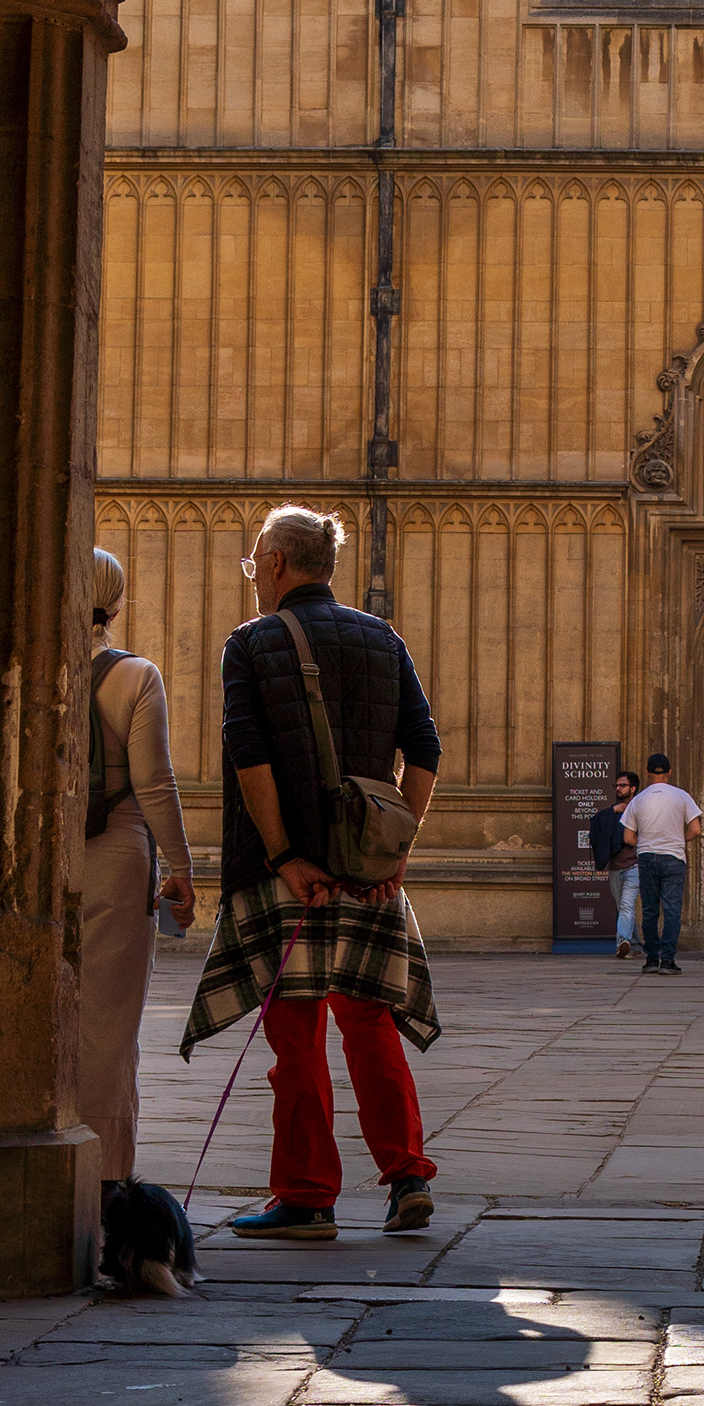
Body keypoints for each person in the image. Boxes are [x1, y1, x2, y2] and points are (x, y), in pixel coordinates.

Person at [178, 504, 442, 1241]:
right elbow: (424, 748)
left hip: (283, 874)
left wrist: (284, 857)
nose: (252, 574)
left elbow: (250, 754)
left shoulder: (252, 644)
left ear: (274, 563)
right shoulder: (383, 638)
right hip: (367, 869)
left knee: (295, 1037)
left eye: (253, 562)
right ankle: (407, 1175)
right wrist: (396, 851)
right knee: (370, 1023)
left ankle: (307, 1196)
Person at [80, 547, 196, 1192]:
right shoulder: (134, 676)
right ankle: (106, 1177)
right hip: (116, 857)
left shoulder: (27, 668)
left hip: (38, 855)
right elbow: (154, 781)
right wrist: (180, 867)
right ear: (116, 604)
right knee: (108, 1024)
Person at [621, 753, 701, 973]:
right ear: (669, 773)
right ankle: (668, 960)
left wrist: (645, 842)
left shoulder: (638, 800)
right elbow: (696, 830)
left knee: (649, 911)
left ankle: (651, 960)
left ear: (647, 774)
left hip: (647, 857)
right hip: (673, 857)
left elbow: (628, 837)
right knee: (672, 911)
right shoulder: (682, 796)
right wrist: (677, 839)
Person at [590, 770, 639, 959]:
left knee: (626, 906)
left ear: (633, 788)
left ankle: (623, 942)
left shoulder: (640, 809)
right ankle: (635, 945)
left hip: (635, 865)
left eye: (623, 785)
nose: (618, 788)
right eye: (616, 786)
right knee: (623, 908)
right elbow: (596, 823)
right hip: (615, 867)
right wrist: (614, 810)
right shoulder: (611, 812)